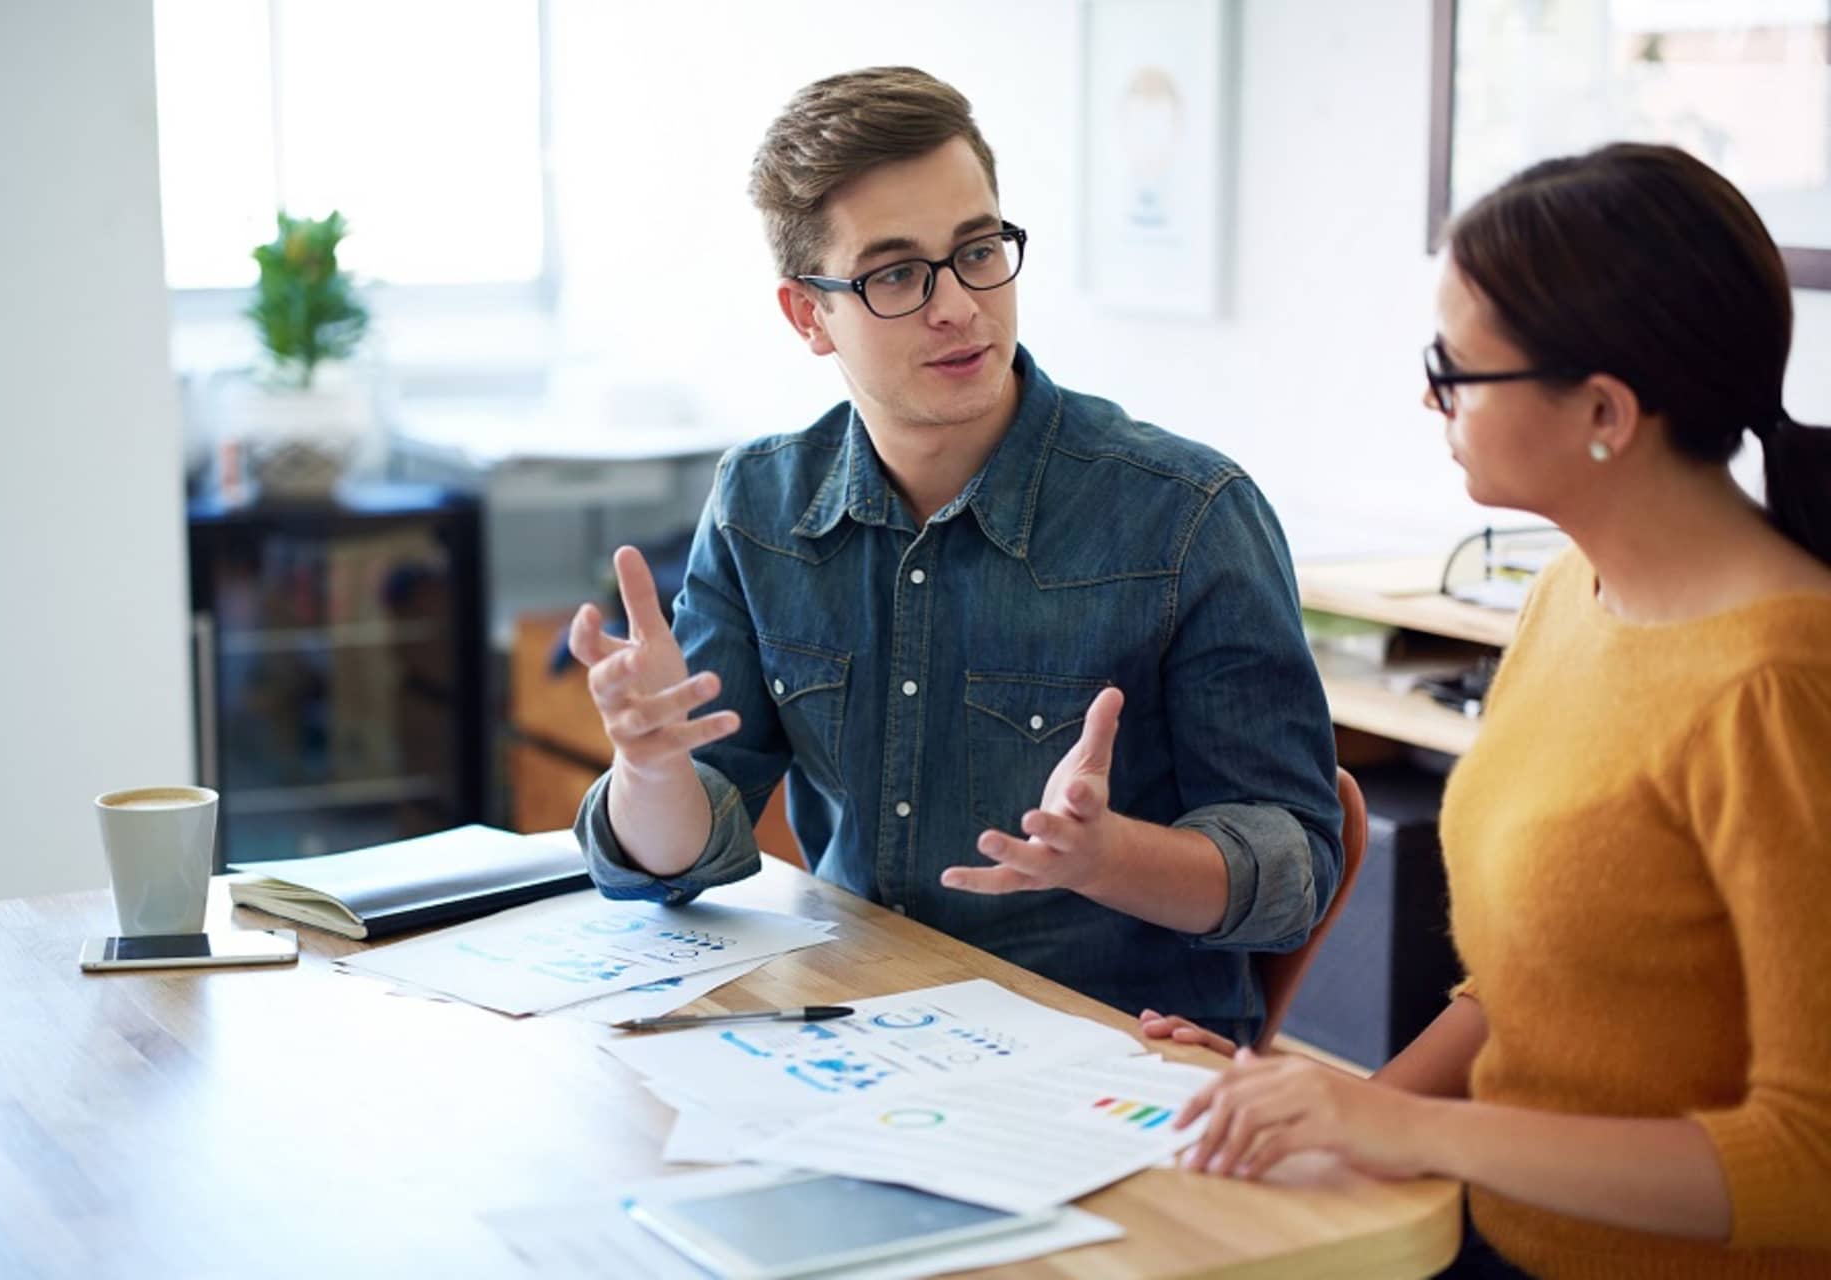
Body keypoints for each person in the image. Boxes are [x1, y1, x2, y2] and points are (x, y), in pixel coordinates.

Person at [1143, 143, 1831, 1278]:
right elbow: (1532, 988)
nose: (1428, 394)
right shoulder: (1572, 591)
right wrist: (1321, 1105)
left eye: (1452, 366)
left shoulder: (1776, 689)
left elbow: (1807, 1160)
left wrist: (1405, 1128)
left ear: (1603, 409)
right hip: (1491, 1231)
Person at [564, 66, 1342, 1039]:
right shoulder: (761, 504)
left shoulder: (1186, 516)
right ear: (808, 314)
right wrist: (647, 769)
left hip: (1105, 1060)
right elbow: (679, 861)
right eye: (895, 273)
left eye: (977, 250)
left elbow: (1293, 872)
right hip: (850, 1036)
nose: (957, 306)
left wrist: (1106, 856)